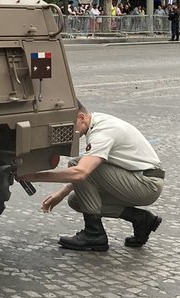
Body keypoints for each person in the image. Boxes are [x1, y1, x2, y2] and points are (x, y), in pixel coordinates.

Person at [33, 102, 164, 252]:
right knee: (76, 200)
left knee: (77, 164)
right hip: (140, 179)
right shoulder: (97, 122)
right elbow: (92, 173)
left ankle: (94, 234)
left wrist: (35, 176)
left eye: (69, 126)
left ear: (81, 117)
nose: (67, 131)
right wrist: (63, 192)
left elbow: (82, 172)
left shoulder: (102, 132)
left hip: (146, 184)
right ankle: (140, 219)